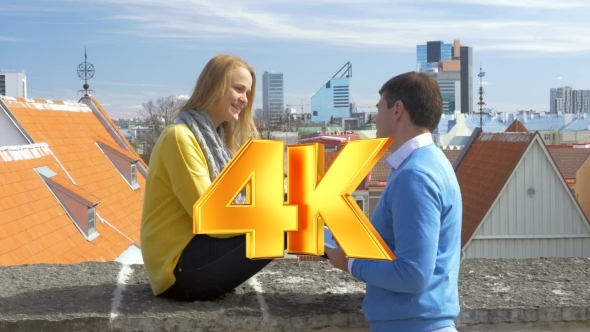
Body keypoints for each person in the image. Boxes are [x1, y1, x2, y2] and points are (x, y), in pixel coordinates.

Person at [325, 72, 463, 332]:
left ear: (397, 110)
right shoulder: (432, 162)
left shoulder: (415, 175)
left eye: (379, 108)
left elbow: (413, 275)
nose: (375, 118)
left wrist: (349, 263)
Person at [140, 54, 274, 302]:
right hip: (177, 270)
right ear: (214, 86)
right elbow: (212, 218)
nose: (245, 99)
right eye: (238, 89)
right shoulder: (179, 138)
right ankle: (356, 262)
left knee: (294, 213)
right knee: (285, 223)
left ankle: (353, 258)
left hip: (194, 254)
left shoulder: (218, 141)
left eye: (248, 93)